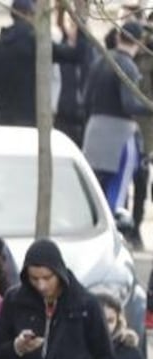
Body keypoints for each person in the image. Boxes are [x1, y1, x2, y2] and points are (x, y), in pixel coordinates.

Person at [83, 20, 150, 214]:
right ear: (138, 42)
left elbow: (85, 99)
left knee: (95, 192)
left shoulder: (100, 60)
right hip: (119, 137)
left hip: (94, 132)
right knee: (116, 194)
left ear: (118, 36)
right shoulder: (128, 66)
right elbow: (129, 104)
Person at [0, 0, 80, 127]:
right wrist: (80, 20)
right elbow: (74, 55)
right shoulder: (37, 43)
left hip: (5, 121)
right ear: (28, 15)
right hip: (32, 122)